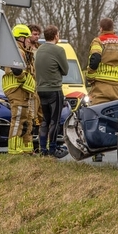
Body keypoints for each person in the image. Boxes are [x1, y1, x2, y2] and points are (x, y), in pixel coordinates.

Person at [2, 24, 37, 155]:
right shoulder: (17, 51)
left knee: (27, 119)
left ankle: (26, 148)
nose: (29, 41)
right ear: (21, 38)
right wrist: (24, 80)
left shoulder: (24, 51)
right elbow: (17, 70)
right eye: (27, 38)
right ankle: (14, 149)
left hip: (23, 89)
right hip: (17, 89)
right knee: (18, 119)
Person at [35, 25, 68, 157]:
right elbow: (65, 70)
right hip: (54, 89)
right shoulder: (59, 50)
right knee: (55, 120)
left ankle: (43, 149)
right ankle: (52, 148)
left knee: (45, 120)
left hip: (41, 89)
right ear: (55, 36)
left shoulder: (39, 49)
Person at [86, 18, 118, 105]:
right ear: (113, 29)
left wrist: (90, 78)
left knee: (97, 113)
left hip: (101, 89)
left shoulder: (98, 41)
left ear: (101, 28)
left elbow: (95, 60)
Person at [27, 25, 43, 153]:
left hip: (41, 86)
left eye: (38, 34)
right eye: (34, 34)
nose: (37, 37)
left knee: (41, 116)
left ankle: (40, 145)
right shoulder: (25, 50)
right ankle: (31, 144)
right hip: (30, 87)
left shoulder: (41, 49)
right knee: (31, 116)